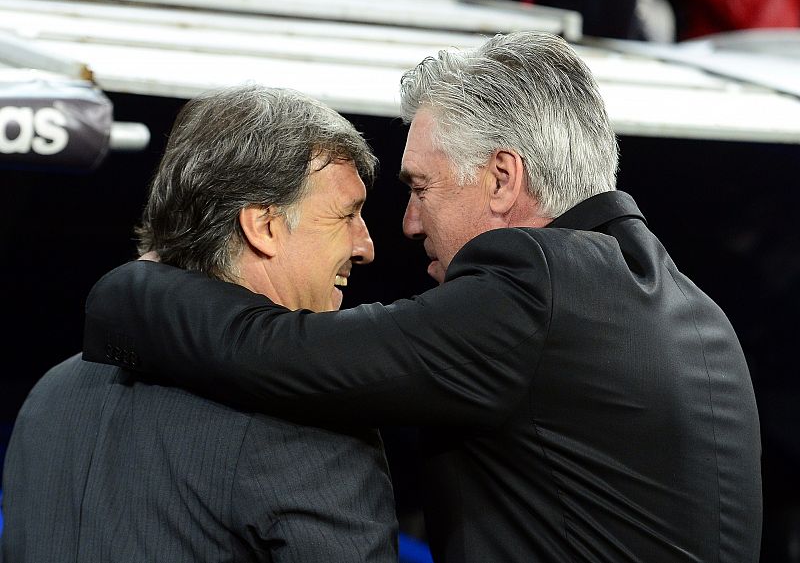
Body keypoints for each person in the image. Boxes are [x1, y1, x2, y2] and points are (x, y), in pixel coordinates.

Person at [81, 31, 762, 562]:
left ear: (502, 177)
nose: (405, 225)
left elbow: (279, 353)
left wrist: (132, 287)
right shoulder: (699, 314)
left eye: (420, 188)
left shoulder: (537, 282)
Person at [1, 85, 398, 563]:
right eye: (347, 214)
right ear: (263, 226)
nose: (366, 246)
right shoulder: (308, 421)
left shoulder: (51, 395)